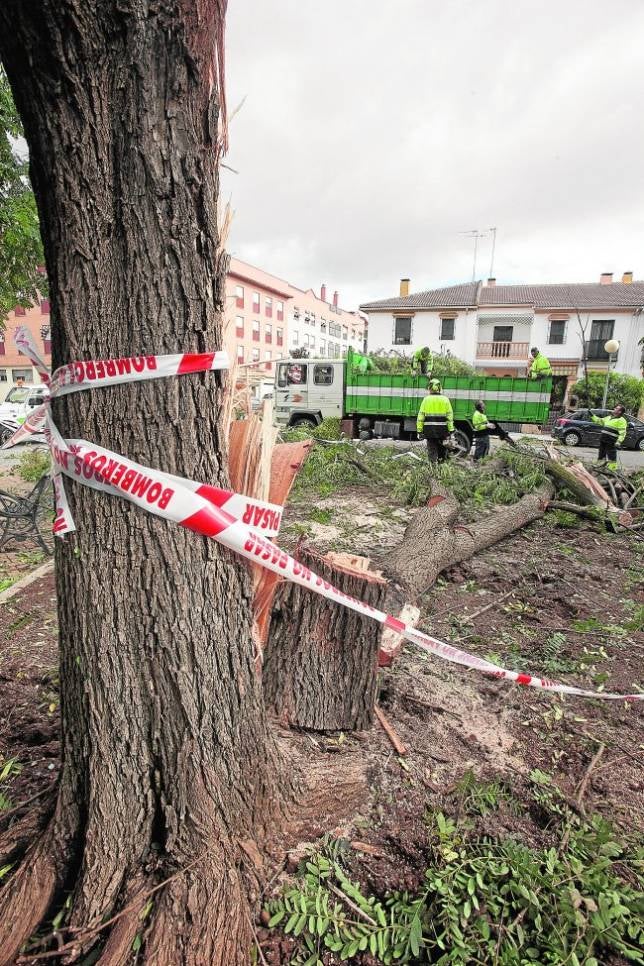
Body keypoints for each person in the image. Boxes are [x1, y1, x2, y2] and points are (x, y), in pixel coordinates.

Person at [417, 378, 454, 462]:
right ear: (440, 388)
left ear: (430, 388)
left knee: (432, 452)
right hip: (443, 431)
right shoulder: (445, 399)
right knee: (442, 452)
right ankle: (442, 469)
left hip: (429, 431)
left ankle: (432, 470)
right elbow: (449, 417)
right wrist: (451, 430)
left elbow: (420, 417)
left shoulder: (426, 400)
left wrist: (419, 431)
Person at [591, 404, 627, 470]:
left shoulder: (622, 420)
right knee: (601, 453)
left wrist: (618, 442)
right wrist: (592, 415)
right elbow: (600, 421)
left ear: (620, 412)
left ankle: (612, 469)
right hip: (603, 439)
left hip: (611, 441)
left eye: (616, 408)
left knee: (611, 455)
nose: (614, 408)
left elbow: (623, 433)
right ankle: (600, 465)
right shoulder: (609, 417)